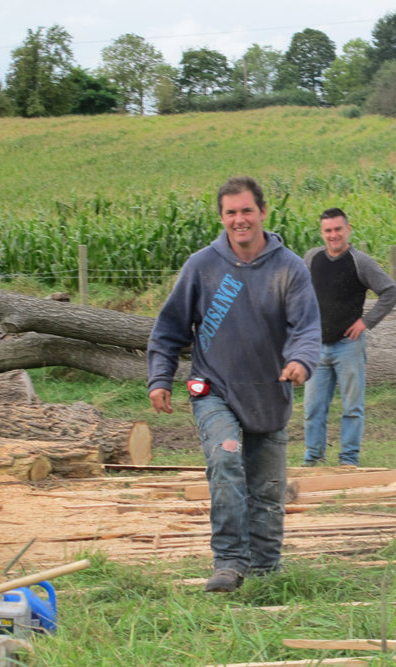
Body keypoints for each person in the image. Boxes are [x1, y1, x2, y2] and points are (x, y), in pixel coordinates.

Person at [147, 176, 321, 593]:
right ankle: (228, 562)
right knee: (225, 463)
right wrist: (160, 376)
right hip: (213, 387)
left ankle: (264, 570)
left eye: (246, 211)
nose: (239, 220)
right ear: (222, 217)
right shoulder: (201, 266)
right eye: (231, 212)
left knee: (268, 488)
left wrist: (300, 360)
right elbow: (170, 327)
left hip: (269, 391)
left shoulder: (289, 268)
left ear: (262, 212)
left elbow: (306, 327)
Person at [302, 207, 396, 468]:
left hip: (348, 346)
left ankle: (348, 460)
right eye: (328, 231)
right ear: (322, 233)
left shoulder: (360, 262)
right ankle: (313, 458)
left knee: (352, 408)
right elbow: (298, 291)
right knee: (313, 409)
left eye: (338, 229)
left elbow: (390, 292)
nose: (333, 235)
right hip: (317, 348)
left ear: (348, 229)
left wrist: (366, 322)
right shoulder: (312, 258)